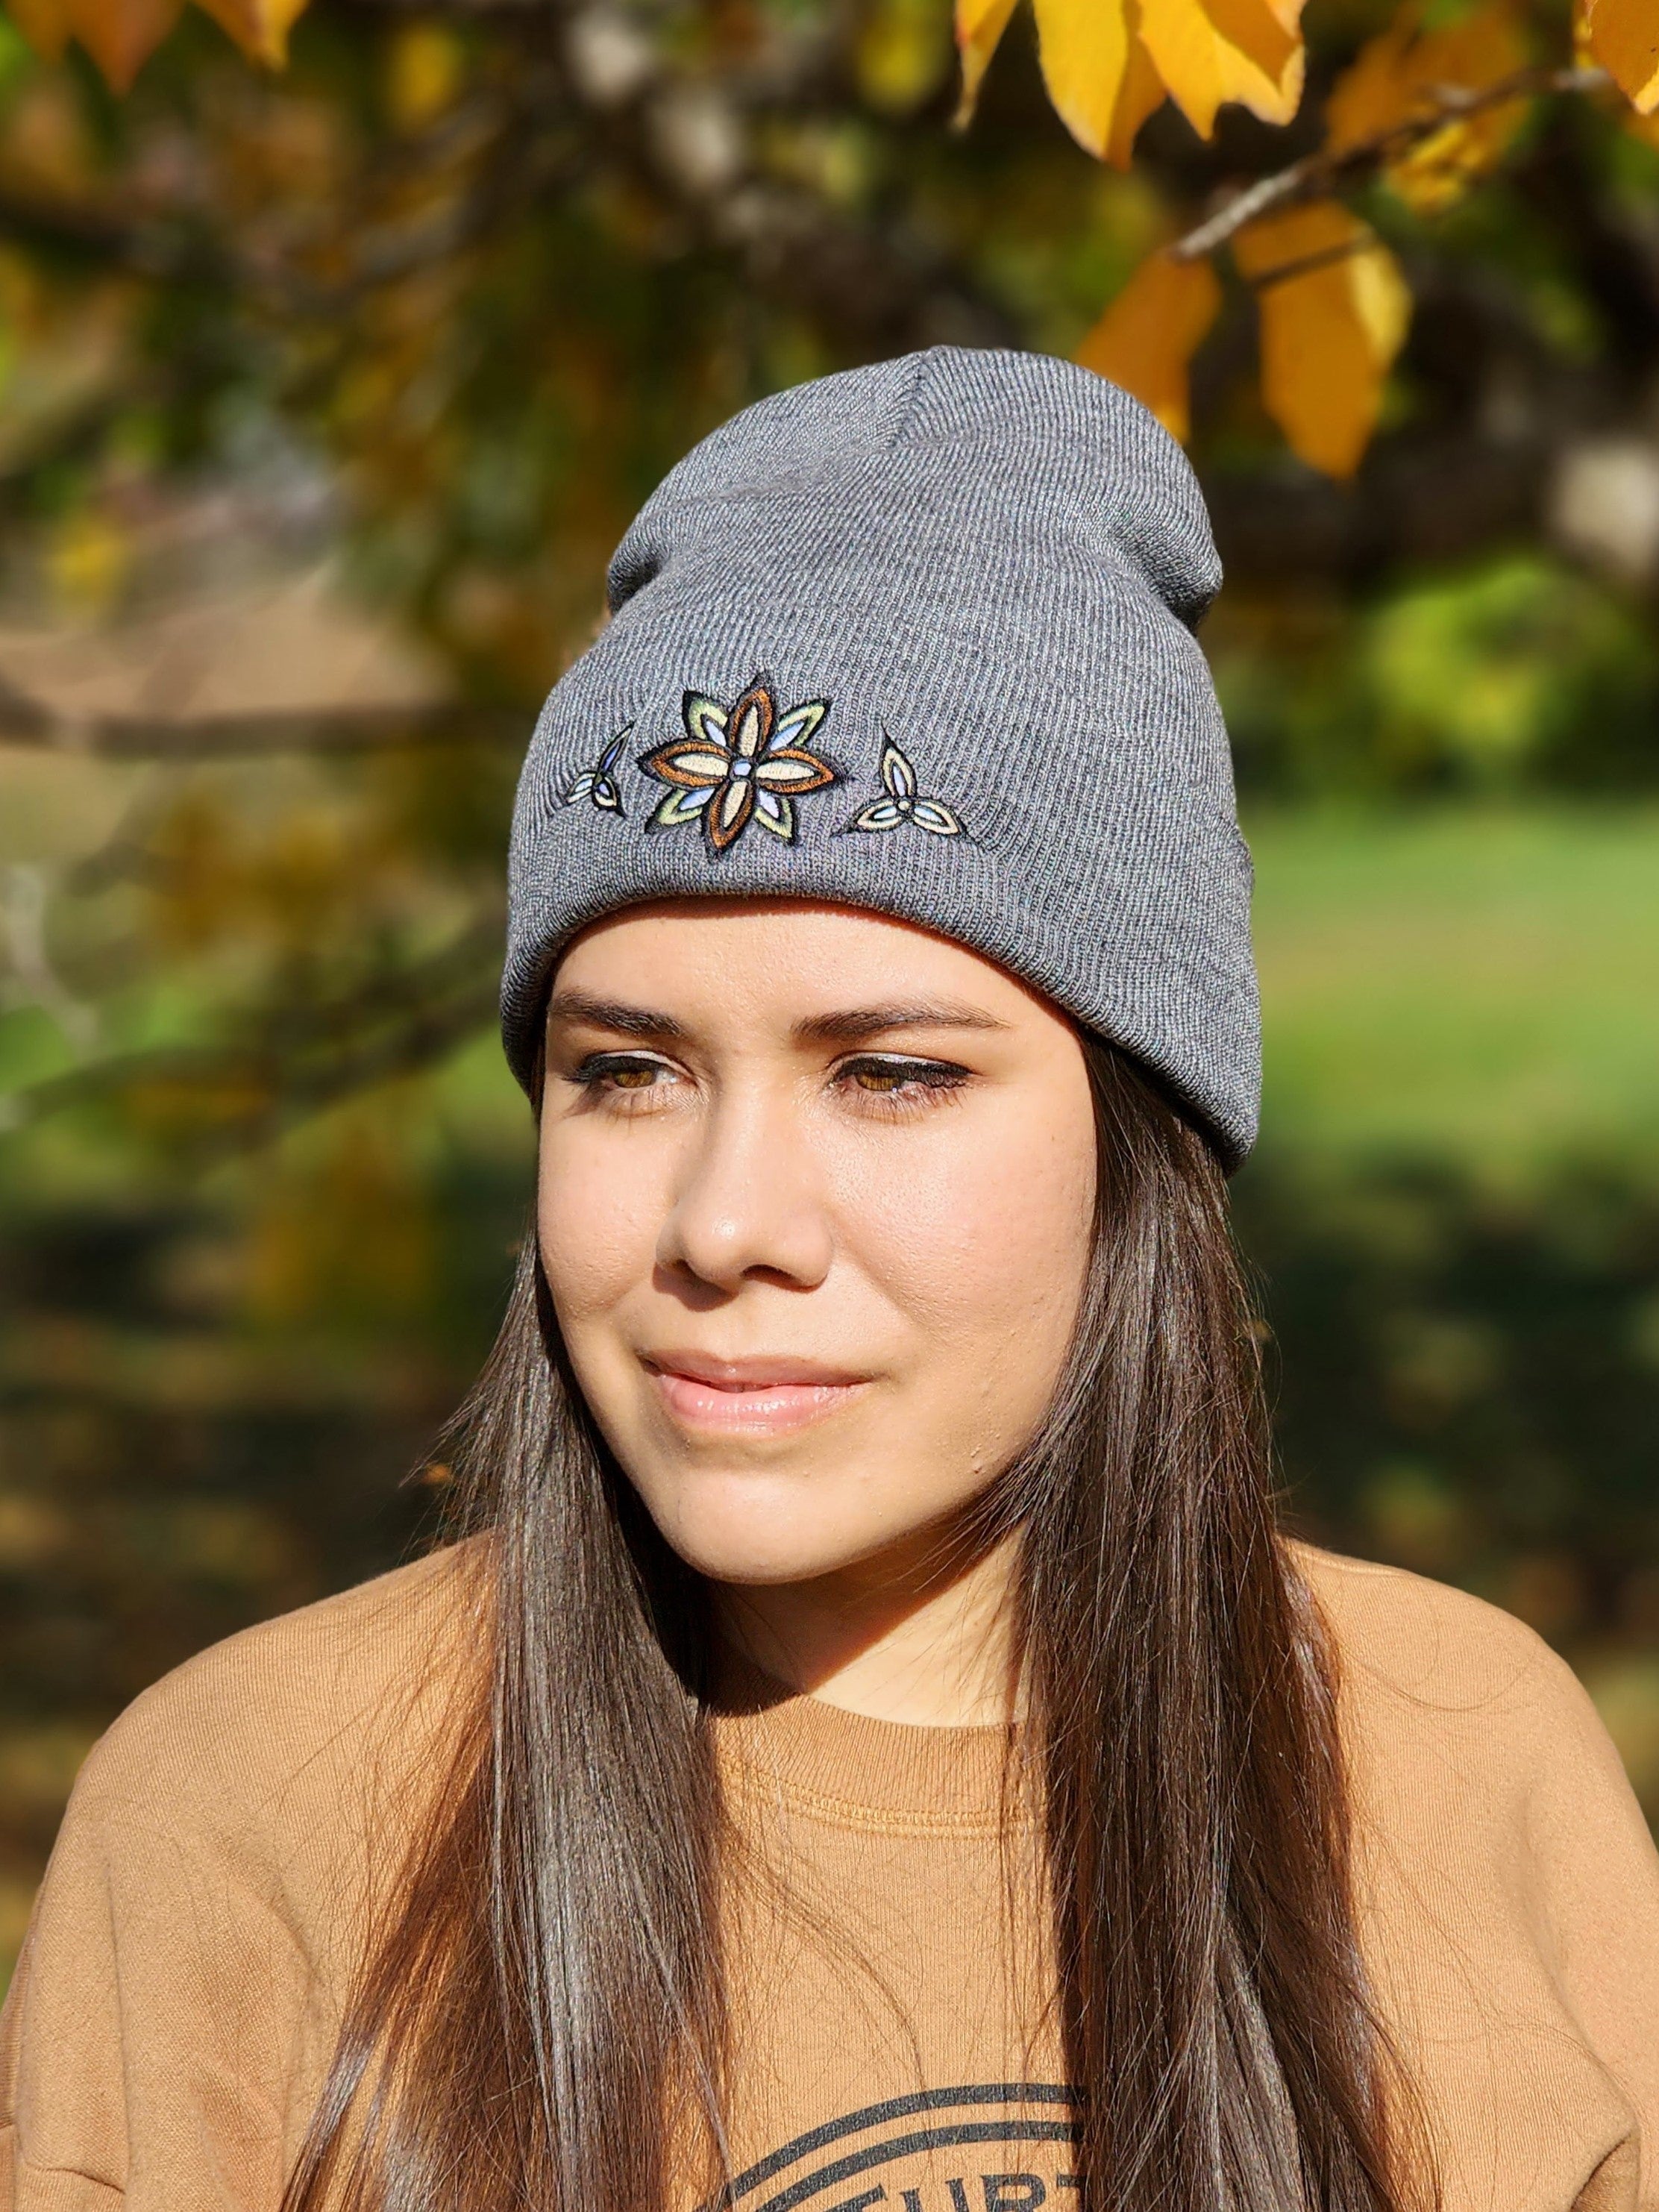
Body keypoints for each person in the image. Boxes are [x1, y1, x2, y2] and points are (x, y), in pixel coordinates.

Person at [2, 348, 1657, 2212]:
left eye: (890, 1073)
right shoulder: (256, 1817)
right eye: (625, 1070)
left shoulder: (1456, 1762)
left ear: (1143, 1137)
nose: (724, 1222)